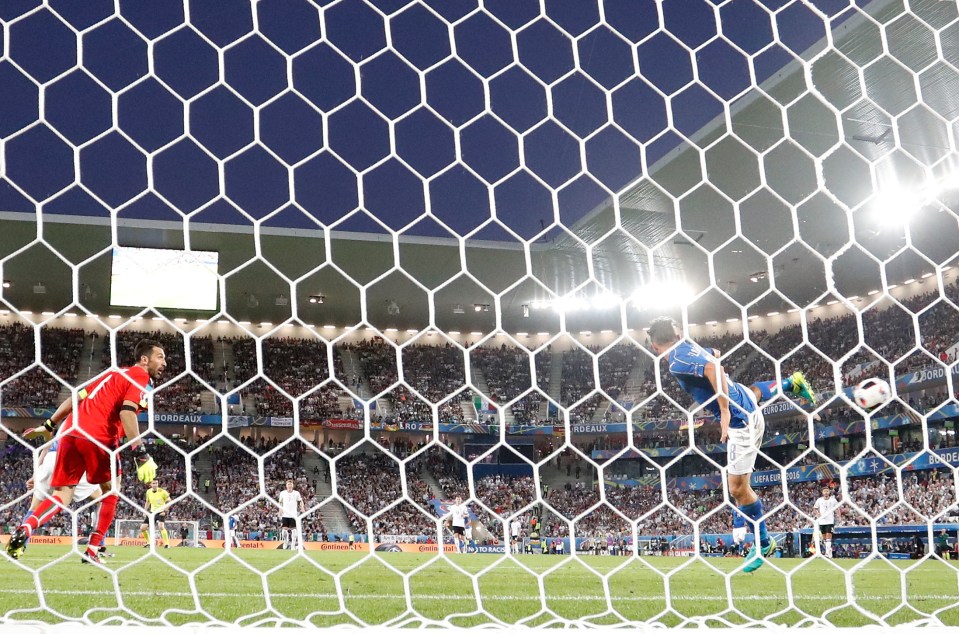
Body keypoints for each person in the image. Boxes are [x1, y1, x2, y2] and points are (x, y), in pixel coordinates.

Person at [647, 317, 816, 573]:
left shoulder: (677, 362)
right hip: (743, 396)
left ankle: (763, 543)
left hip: (741, 423)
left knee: (737, 489)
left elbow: (713, 367)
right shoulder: (687, 346)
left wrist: (724, 409)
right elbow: (715, 354)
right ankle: (790, 383)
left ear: (654, 346)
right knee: (753, 392)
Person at [7, 340, 165, 563]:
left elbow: (76, 396)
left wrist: (50, 424)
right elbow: (127, 413)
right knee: (112, 491)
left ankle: (27, 527)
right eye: (160, 357)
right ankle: (93, 549)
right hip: (99, 437)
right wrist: (140, 453)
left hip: (71, 432)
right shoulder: (140, 376)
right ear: (144, 359)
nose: (164, 363)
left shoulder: (111, 374)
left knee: (62, 495)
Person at [17, 433, 104, 555]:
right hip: (71, 460)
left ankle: (19, 545)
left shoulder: (65, 424)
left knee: (34, 507)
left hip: (50, 459)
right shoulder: (91, 423)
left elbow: (46, 447)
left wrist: (35, 475)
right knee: (103, 499)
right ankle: (98, 545)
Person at [139, 479, 172, 549]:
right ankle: (149, 543)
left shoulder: (162, 492)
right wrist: (145, 511)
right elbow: (147, 502)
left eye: (156, 483)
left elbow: (169, 501)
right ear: (150, 484)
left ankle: (167, 544)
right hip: (152, 512)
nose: (155, 485)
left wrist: (165, 511)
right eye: (153, 483)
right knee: (143, 528)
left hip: (161, 512)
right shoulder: (148, 492)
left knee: (161, 526)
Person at [813, 486, 840, 559]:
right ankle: (829, 550)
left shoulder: (833, 500)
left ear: (829, 492)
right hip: (821, 521)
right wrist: (818, 514)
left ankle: (827, 553)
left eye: (827, 491)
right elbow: (815, 508)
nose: (826, 492)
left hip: (830, 521)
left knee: (828, 537)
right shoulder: (819, 500)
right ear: (822, 492)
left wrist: (838, 516)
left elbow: (837, 508)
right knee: (824, 539)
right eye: (824, 491)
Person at [277, 479, 304, 550]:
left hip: (293, 514)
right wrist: (280, 510)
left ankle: (293, 545)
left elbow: (301, 500)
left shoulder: (296, 493)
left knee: (294, 531)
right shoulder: (282, 493)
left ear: (293, 485)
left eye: (291, 484)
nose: (289, 486)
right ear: (286, 485)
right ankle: (285, 541)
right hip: (285, 514)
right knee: (284, 531)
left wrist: (302, 507)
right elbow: (280, 502)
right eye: (288, 484)